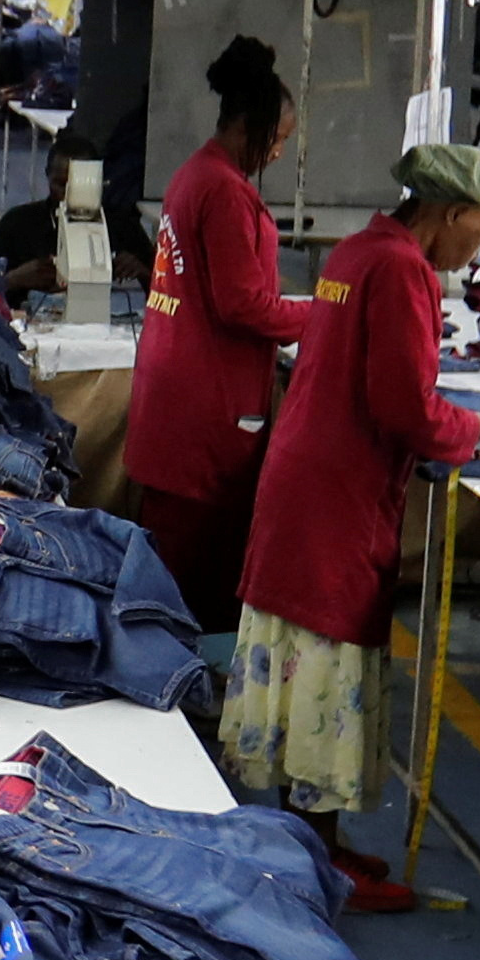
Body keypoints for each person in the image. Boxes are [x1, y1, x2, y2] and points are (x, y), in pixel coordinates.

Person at [218, 141, 480, 910]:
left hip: (308, 480)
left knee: (301, 667)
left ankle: (315, 844)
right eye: (476, 236)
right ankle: (316, 868)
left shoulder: (356, 250)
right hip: (339, 499)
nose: (471, 254)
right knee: (325, 668)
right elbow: (405, 406)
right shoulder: (402, 270)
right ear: (449, 214)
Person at [128, 35, 307, 628]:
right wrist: (328, 315)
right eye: (278, 140)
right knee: (193, 573)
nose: (279, 153)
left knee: (168, 561)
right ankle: (181, 688)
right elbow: (244, 306)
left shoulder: (193, 175)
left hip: (174, 393)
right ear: (250, 126)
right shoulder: (226, 192)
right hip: (205, 408)